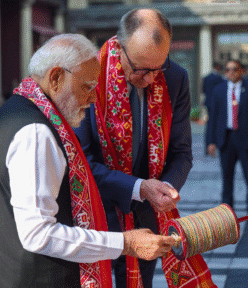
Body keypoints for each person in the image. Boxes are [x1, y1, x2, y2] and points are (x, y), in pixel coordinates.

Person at [0, 34, 176, 288]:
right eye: (87, 87)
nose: (93, 99)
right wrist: (125, 243)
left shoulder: (19, 109)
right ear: (56, 77)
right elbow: (38, 234)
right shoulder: (36, 133)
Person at [75, 9, 217, 288]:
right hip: (97, 212)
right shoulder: (90, 73)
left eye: (158, 68)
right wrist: (139, 186)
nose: (150, 79)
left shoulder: (175, 77)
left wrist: (165, 187)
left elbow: (181, 152)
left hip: (147, 215)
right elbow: (81, 159)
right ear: (119, 46)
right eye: (140, 69)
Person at [207, 60, 248, 208]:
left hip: (245, 140)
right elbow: (213, 118)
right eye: (228, 69)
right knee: (227, 180)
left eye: (235, 69)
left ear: (241, 71)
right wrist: (210, 142)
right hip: (226, 140)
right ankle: (227, 217)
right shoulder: (219, 90)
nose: (231, 72)